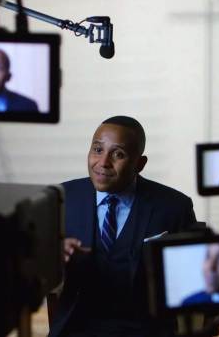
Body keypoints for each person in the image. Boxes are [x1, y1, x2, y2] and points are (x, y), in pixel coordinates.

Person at [49, 116, 199, 337]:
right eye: (97, 149)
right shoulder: (61, 198)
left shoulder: (174, 206)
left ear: (140, 164)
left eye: (118, 154)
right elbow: (32, 271)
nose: (103, 163)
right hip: (76, 327)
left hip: (146, 329)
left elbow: (192, 280)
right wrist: (53, 257)